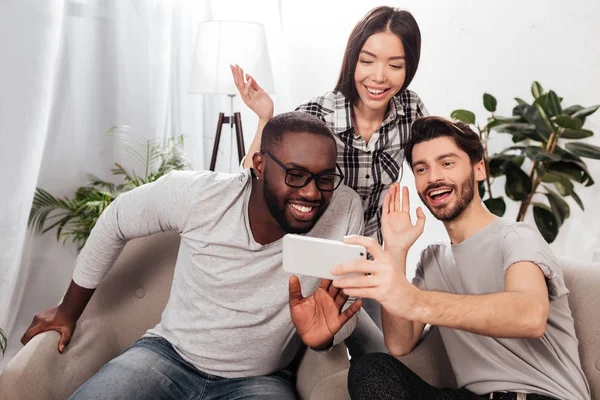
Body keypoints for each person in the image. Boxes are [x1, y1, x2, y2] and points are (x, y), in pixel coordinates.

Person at [20, 112, 365, 400]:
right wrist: (68, 311)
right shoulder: (200, 195)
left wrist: (324, 341)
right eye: (295, 174)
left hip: (261, 380)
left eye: (324, 178)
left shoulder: (344, 208)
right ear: (259, 164)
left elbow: (340, 309)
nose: (311, 192)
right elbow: (116, 219)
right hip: (165, 356)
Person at [333, 116, 591, 400]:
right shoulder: (432, 260)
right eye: (422, 169)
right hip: (471, 396)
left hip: (539, 396)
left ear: (478, 168)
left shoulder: (516, 237)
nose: (433, 178)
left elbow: (530, 316)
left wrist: (416, 301)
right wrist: (395, 250)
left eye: (447, 163)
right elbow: (399, 343)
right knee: (371, 368)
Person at [232, 5, 428, 350]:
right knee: (358, 347)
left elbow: (432, 161)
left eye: (395, 65)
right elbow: (255, 179)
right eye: (367, 61)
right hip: (314, 264)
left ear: (408, 67)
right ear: (352, 59)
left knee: (398, 350)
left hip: (366, 264)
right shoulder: (317, 114)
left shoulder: (410, 109)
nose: (379, 77)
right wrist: (265, 119)